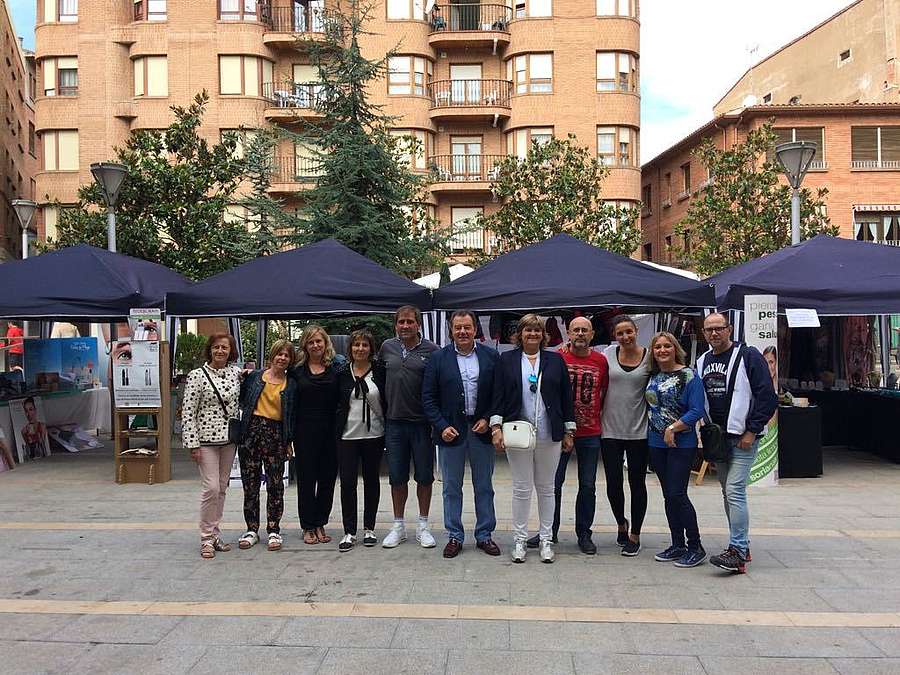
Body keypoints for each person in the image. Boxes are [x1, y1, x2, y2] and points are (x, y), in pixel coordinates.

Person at [490, 314, 575, 564]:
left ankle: (546, 539)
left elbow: (565, 397)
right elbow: (498, 395)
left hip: (550, 434)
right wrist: (496, 427)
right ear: (519, 334)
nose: (533, 334)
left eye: (537, 330)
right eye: (528, 330)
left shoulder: (555, 360)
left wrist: (569, 431)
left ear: (543, 335)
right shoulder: (506, 360)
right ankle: (519, 538)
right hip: (518, 433)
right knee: (521, 488)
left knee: (547, 488)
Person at [697, 313, 778, 574]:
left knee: (734, 490)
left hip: (743, 437)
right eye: (709, 330)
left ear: (729, 329)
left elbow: (767, 396)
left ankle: (738, 551)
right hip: (718, 438)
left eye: (718, 328)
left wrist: (752, 431)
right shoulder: (702, 361)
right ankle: (740, 544)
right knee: (726, 491)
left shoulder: (748, 355)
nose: (714, 334)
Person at [423, 310, 501, 559]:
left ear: (476, 328)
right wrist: (441, 425)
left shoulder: (490, 356)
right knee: (451, 487)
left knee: (484, 486)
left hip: (481, 430)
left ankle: (484, 535)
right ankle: (455, 536)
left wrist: (488, 419)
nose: (463, 332)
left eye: (467, 327)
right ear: (451, 329)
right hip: (451, 431)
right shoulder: (438, 358)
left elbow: (499, 394)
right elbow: (428, 398)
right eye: (458, 327)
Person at [527, 316, 608, 555]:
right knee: (553, 484)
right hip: (559, 431)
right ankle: (548, 531)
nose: (580, 334)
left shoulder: (601, 361)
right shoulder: (556, 358)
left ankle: (584, 533)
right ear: (568, 333)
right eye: (576, 330)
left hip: (590, 432)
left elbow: (604, 392)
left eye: (585, 330)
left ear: (592, 334)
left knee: (588, 484)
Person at [374, 306, 439, 549]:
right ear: (396, 325)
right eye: (401, 322)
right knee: (397, 477)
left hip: (422, 424)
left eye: (410, 322)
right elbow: (379, 381)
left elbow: (438, 386)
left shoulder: (432, 351)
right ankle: (398, 525)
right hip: (394, 424)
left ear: (418, 324)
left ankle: (423, 526)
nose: (405, 326)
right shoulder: (386, 348)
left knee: (424, 477)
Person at [645, 332, 707, 568]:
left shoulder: (689, 375)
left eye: (666, 346)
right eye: (657, 347)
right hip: (656, 442)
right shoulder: (654, 375)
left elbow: (696, 410)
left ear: (675, 348)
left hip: (681, 443)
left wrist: (673, 428)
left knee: (677, 494)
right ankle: (677, 543)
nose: (662, 350)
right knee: (668, 495)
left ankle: (695, 546)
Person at [181, 333, 243, 559]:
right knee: (211, 488)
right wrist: (192, 444)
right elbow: (188, 412)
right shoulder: (197, 376)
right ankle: (206, 537)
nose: (220, 351)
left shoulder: (236, 373)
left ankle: (215, 534)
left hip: (228, 440)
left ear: (230, 351)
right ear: (210, 350)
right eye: (216, 347)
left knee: (223, 488)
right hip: (205, 440)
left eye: (224, 348)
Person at [236, 339, 297, 552]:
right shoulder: (253, 377)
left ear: (291, 360)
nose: (282, 358)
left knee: (275, 484)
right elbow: (240, 398)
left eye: (287, 355)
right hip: (250, 433)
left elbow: (291, 415)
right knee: (250, 484)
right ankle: (251, 528)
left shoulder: (291, 384)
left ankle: (274, 529)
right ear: (272, 356)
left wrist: (289, 441)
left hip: (276, 435)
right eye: (279, 354)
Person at [601, 315, 651, 557]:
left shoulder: (650, 355)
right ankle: (621, 523)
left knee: (637, 483)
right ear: (615, 335)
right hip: (610, 430)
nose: (625, 337)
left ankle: (636, 535)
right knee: (613, 483)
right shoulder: (607, 355)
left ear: (636, 330)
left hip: (639, 431)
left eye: (628, 332)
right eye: (620, 333)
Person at [335, 329, 386, 552]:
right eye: (356, 345)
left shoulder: (380, 372)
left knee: (372, 481)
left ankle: (369, 528)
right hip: (347, 435)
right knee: (347, 483)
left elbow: (387, 399)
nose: (360, 349)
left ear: (371, 349)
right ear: (350, 348)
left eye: (365, 345)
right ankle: (349, 531)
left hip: (374, 434)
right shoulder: (341, 373)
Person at [292, 324, 341, 545]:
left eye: (318, 341)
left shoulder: (336, 369)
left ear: (325, 343)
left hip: (331, 432)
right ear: (305, 345)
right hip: (304, 432)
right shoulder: (297, 372)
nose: (315, 345)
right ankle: (308, 525)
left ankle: (321, 521)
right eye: (311, 342)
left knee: (327, 479)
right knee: (306, 479)